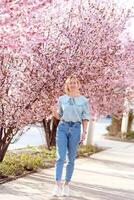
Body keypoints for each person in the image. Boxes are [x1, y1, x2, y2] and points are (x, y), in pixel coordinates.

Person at [52, 75, 90, 196]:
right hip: (62, 128)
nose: (72, 85)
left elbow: (85, 118)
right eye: (70, 83)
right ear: (67, 85)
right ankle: (57, 185)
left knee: (71, 159)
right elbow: (59, 116)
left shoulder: (84, 101)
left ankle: (66, 185)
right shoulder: (62, 99)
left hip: (76, 129)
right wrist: (54, 112)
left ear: (78, 85)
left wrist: (84, 132)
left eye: (74, 83)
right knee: (60, 157)